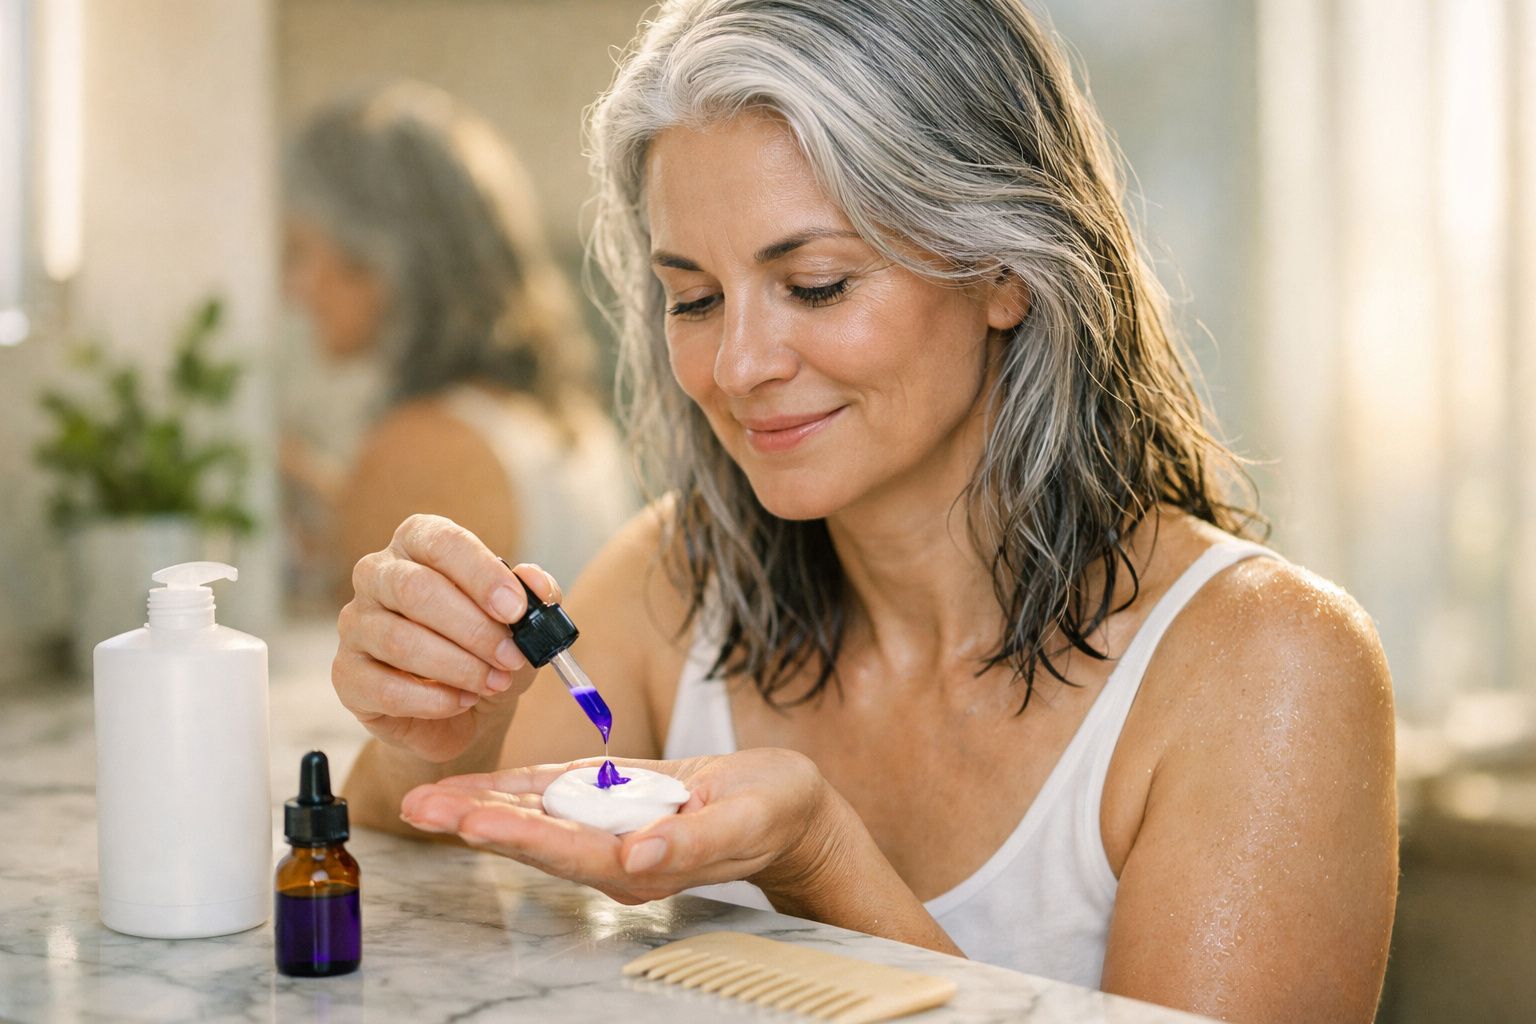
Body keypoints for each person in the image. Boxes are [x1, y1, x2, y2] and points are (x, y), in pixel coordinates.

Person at [330, 4, 1397, 1020]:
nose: (739, 365)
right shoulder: (675, 583)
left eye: (819, 284)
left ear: (1001, 269)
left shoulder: (1268, 667)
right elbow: (422, 840)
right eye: (693, 299)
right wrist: (445, 729)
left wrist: (819, 861)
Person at [280, 81, 632, 596]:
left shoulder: (418, 449)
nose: (292, 290)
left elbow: (362, 664)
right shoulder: (564, 424)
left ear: (377, 254)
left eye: (300, 250)